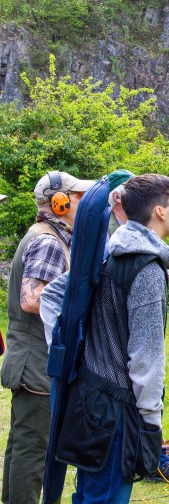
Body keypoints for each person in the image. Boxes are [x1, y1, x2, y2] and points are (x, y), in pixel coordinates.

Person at [40, 173, 169, 485]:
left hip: (91, 395)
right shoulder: (146, 267)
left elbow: (52, 296)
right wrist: (151, 423)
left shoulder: (110, 251)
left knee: (87, 493)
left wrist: (70, 352)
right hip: (118, 412)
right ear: (160, 211)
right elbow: (146, 358)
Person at [1, 170, 93, 504]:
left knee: (23, 446)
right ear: (60, 202)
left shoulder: (48, 236)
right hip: (37, 360)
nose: (83, 203)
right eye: (78, 197)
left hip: (34, 358)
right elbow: (32, 299)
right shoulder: (49, 242)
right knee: (33, 450)